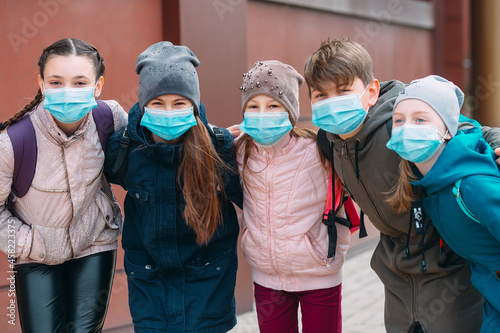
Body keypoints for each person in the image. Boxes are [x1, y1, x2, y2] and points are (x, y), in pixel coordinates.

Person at [304, 39, 500, 332]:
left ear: (370, 91)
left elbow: (469, 130)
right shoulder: (328, 142)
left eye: (343, 90)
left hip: (446, 265)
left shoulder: (403, 121)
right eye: (320, 95)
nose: (332, 102)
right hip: (395, 269)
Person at [103, 41, 242, 333]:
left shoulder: (218, 148)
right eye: (157, 103)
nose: (168, 112)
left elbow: (255, 200)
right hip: (149, 284)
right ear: (143, 104)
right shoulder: (125, 149)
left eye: (179, 103)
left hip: (209, 283)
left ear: (193, 105)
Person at [0, 38, 127, 332]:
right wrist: (28, 243)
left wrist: (215, 137)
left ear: (98, 87)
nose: (68, 92)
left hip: (95, 242)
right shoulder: (13, 143)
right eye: (56, 82)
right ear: (42, 85)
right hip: (36, 255)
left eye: (80, 82)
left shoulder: (109, 118)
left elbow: (153, 142)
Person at [234, 60, 349, 333]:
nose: (263, 114)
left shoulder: (318, 150)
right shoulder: (238, 150)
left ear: (291, 111)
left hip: (320, 274)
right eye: (253, 106)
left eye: (273, 106)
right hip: (267, 278)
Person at [386, 75, 500, 333]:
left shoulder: (471, 185)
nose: (407, 128)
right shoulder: (429, 183)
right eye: (398, 120)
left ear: (448, 128)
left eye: (420, 119)